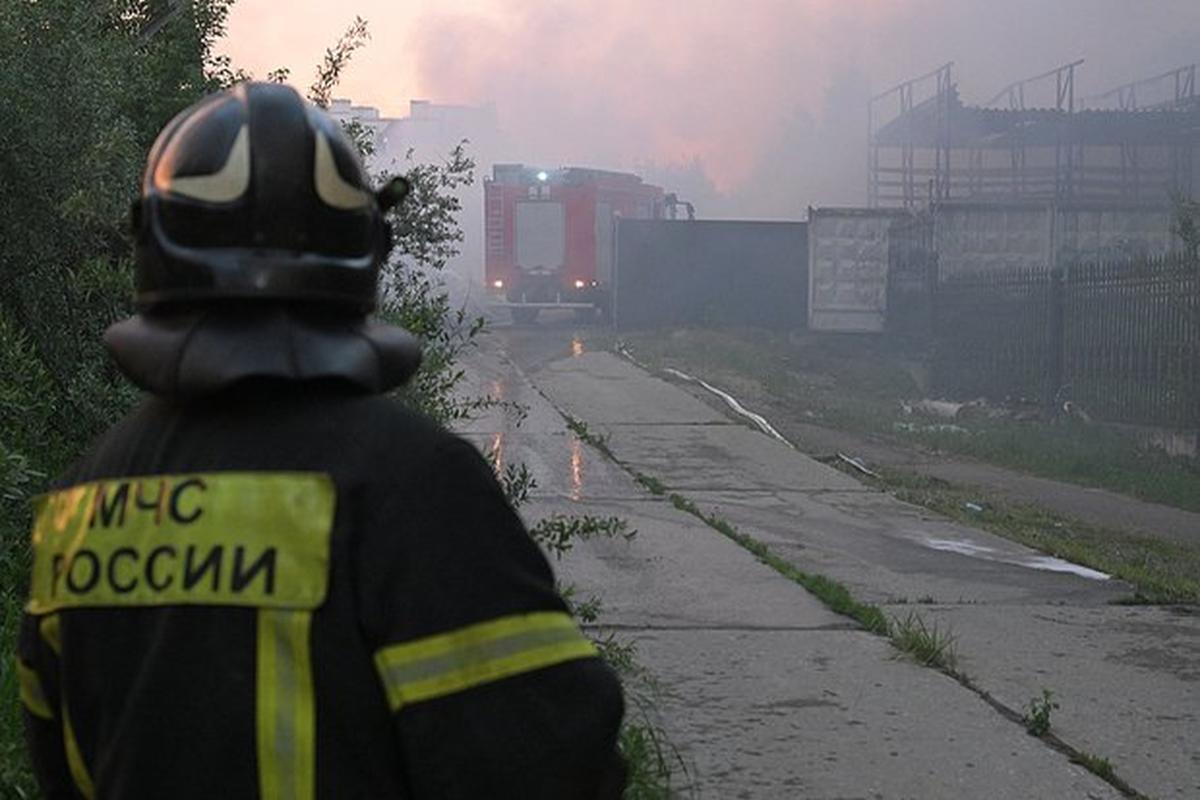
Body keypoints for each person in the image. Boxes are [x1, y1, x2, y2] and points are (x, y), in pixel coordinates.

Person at [17, 82, 627, 799]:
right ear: (365, 250)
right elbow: (551, 763)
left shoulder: (81, 505)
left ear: (152, 244)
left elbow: (62, 768)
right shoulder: (416, 486)